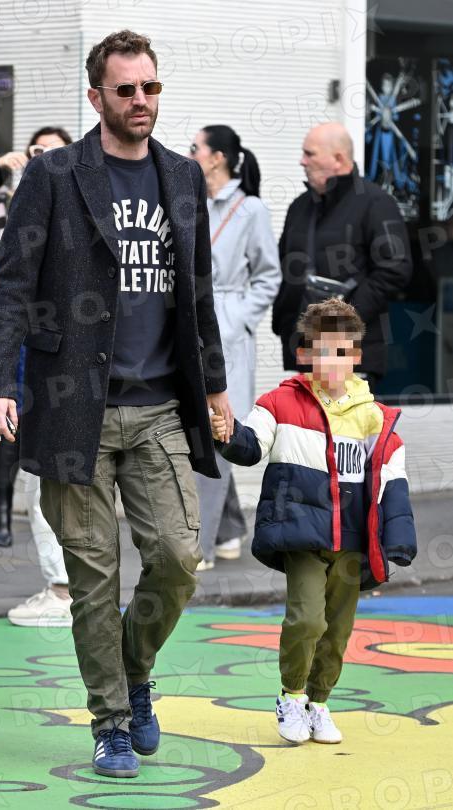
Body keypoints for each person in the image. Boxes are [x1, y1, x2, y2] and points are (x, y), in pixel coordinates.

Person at [0, 29, 231, 778]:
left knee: (178, 558)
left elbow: (198, 295)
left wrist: (215, 386)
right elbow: (11, 286)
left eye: (150, 87)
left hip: (159, 407)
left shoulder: (182, 176)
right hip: (71, 405)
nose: (141, 100)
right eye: (126, 89)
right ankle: (112, 722)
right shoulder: (54, 175)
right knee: (92, 579)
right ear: (96, 96)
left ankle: (133, 669)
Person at [211, 298, 416, 744]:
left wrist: (399, 538)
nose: (332, 362)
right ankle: (291, 695)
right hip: (302, 536)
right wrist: (226, 434)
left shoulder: (373, 417)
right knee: (306, 619)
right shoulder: (279, 403)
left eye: (341, 352)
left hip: (353, 542)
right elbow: (250, 446)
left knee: (338, 631)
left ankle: (318, 702)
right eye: (322, 351)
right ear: (304, 353)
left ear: (356, 355)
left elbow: (392, 480)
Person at [0, 129, 74, 627]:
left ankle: (64, 589)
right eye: (37, 151)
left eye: (55, 151)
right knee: (27, 468)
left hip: (65, 365)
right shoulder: (7, 203)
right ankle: (61, 584)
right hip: (19, 359)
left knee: (53, 479)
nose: (44, 159)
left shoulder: (76, 208)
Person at [188, 125, 280, 569]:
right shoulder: (191, 202)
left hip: (224, 333)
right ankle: (228, 530)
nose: (190, 154)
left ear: (218, 157)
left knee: (216, 428)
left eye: (196, 148)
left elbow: (269, 275)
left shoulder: (250, 209)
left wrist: (234, 318)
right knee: (195, 424)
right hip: (188, 326)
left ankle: (199, 546)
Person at [272, 122, 413, 390]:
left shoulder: (376, 203)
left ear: (338, 159)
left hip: (352, 357)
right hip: (304, 352)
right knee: (306, 419)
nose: (302, 161)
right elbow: (285, 266)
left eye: (310, 154)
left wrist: (341, 319)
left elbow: (395, 270)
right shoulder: (300, 207)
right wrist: (284, 320)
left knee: (344, 420)